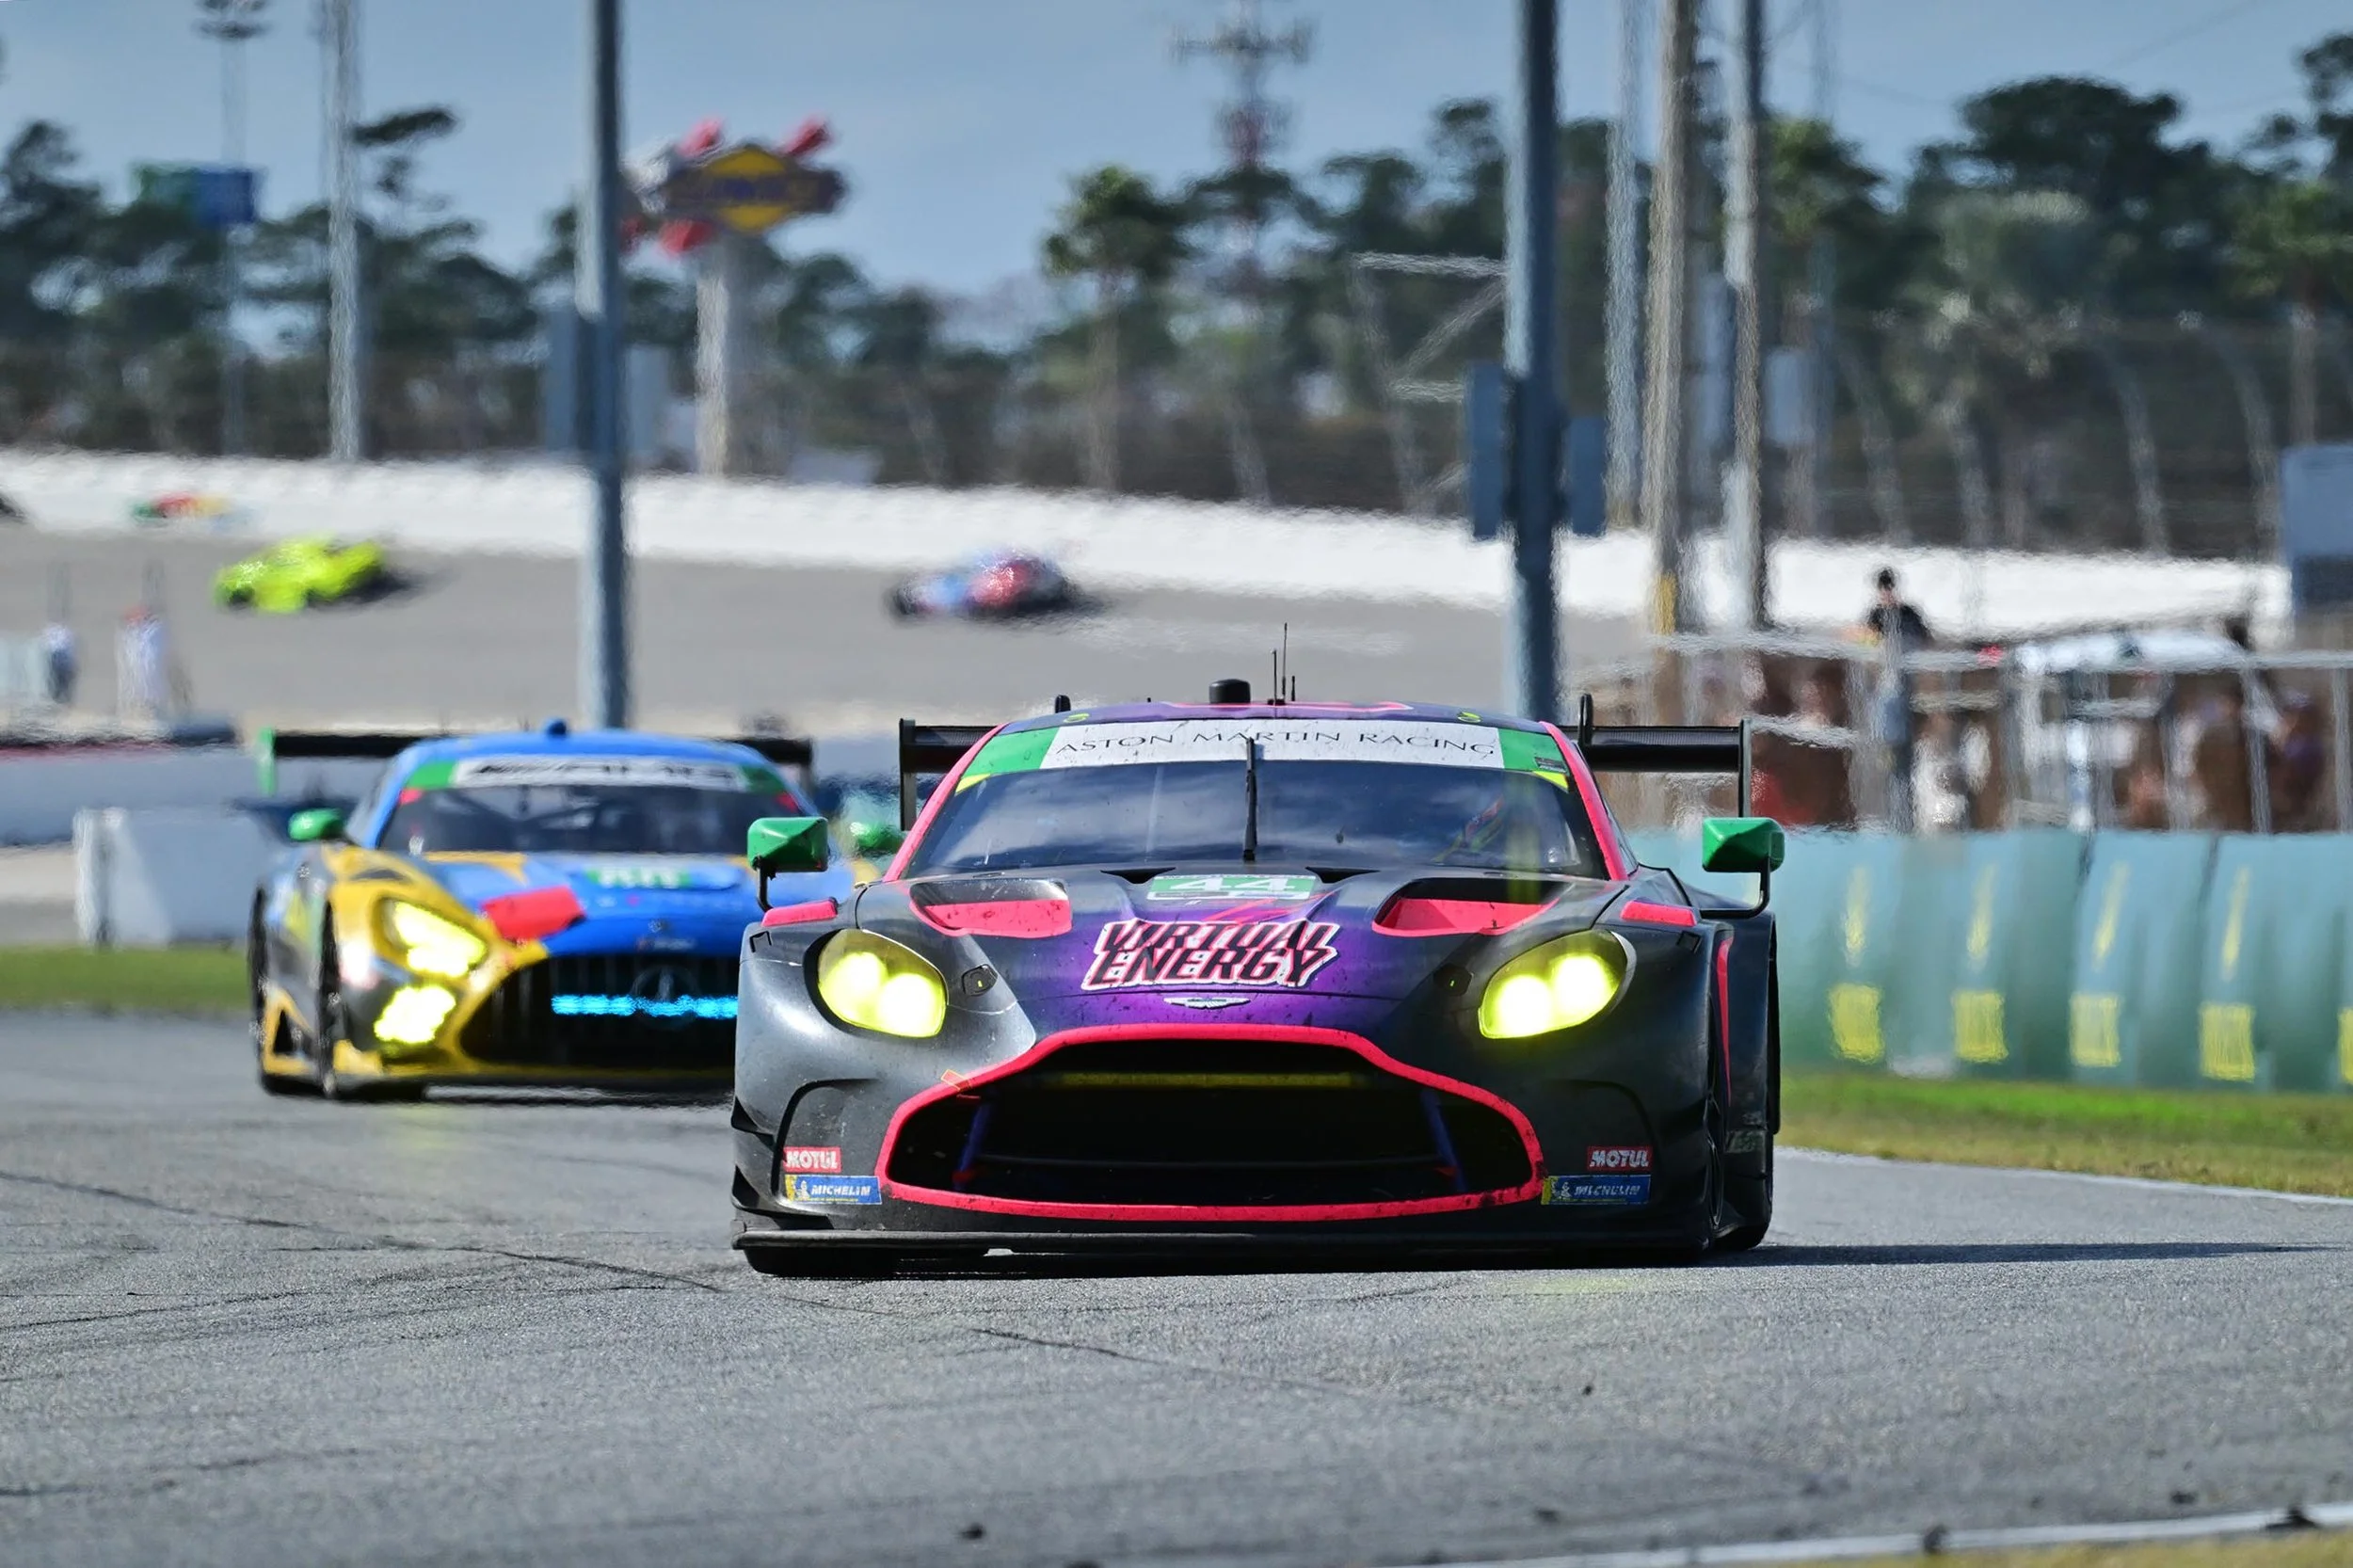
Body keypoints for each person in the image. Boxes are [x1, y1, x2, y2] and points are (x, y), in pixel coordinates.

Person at [1861, 568, 1930, 828]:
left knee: (1907, 768)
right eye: (1884, 588)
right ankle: (1889, 819)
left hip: (1910, 702)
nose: (1887, 593)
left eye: (1889, 587)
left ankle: (1905, 820)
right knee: (1888, 767)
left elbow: (1925, 645)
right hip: (1885, 706)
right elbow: (1865, 652)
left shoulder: (1909, 616)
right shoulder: (1874, 616)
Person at [38, 618, 75, 707]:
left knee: (59, 678)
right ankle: (60, 696)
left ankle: (59, 696)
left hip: (59, 656)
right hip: (60, 657)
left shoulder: (56, 632)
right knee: (60, 678)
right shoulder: (63, 632)